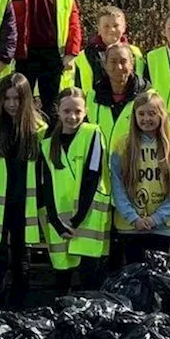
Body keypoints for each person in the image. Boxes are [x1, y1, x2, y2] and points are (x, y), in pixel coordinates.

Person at [0, 73, 46, 308]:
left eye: (17, 99)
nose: (12, 104)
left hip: (25, 204)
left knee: (22, 260)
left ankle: (18, 307)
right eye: (7, 99)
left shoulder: (40, 129)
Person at [39, 87, 110, 293]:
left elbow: (92, 176)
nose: (72, 116)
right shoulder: (46, 144)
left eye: (78, 111)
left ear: (86, 111)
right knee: (62, 279)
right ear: (57, 111)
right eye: (67, 111)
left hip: (86, 220)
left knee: (89, 281)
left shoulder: (93, 134)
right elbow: (46, 185)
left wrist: (77, 219)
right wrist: (56, 222)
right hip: (59, 222)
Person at [110, 90, 170, 265]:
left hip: (161, 226)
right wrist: (133, 217)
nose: (146, 119)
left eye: (152, 113)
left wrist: (156, 218)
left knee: (157, 277)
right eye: (141, 114)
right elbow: (117, 186)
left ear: (162, 115)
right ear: (134, 116)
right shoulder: (122, 146)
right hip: (130, 225)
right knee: (134, 278)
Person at [12, 0, 82, 121]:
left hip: (52, 57)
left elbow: (73, 22)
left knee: (51, 105)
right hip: (23, 56)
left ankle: (50, 142)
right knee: (22, 103)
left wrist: (71, 53)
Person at [74, 6, 145, 91]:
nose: (112, 29)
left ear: (124, 27)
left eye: (116, 25)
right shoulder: (84, 56)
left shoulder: (136, 53)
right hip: (93, 103)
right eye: (106, 26)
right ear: (99, 29)